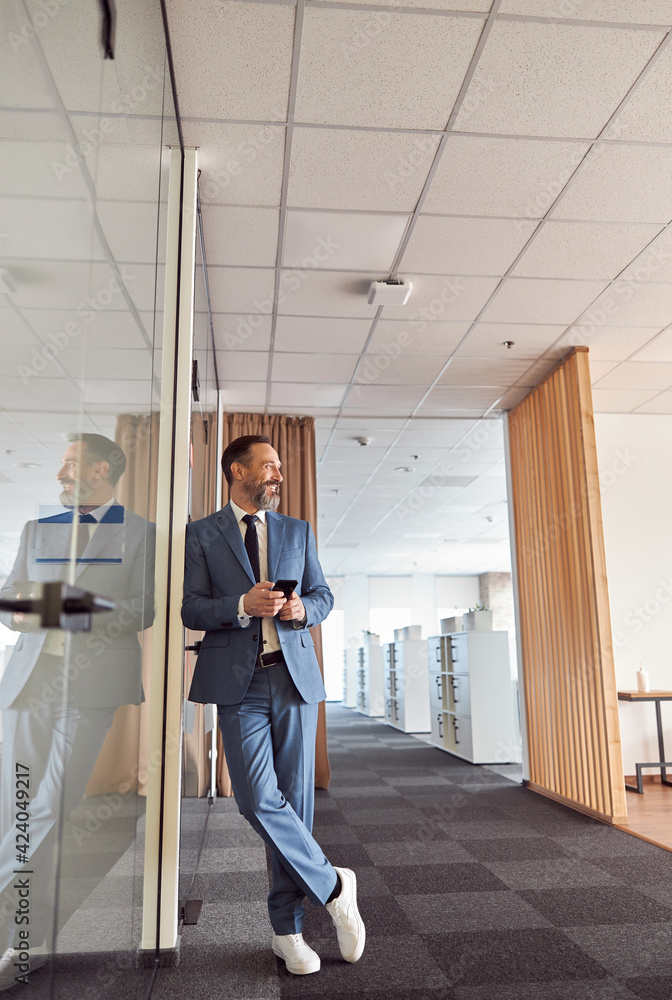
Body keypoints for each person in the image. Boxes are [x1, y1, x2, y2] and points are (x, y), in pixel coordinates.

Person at [182, 435, 365, 975]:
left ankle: (288, 933)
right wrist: (241, 605)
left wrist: (300, 609)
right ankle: (335, 885)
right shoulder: (201, 535)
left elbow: (324, 595)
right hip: (239, 687)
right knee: (258, 800)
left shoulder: (296, 531)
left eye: (281, 468)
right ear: (237, 471)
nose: (277, 475)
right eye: (268, 466)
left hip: (293, 682)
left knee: (296, 806)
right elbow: (192, 607)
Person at [0, 434, 154, 988]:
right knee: (15, 811)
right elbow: (7, 595)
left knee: (47, 807)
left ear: (103, 469)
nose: (61, 472)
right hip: (27, 685)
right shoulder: (35, 528)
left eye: (71, 463)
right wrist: (37, 611)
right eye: (62, 464)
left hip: (87, 691)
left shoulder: (140, 531)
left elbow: (144, 608)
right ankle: (26, 941)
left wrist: (80, 614)